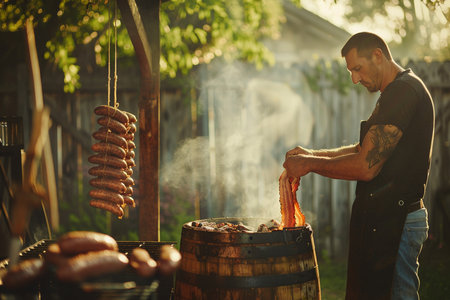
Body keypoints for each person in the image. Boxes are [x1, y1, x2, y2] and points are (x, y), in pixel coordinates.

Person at [283, 32, 434, 300]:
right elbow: (363, 149)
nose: (354, 78)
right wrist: (312, 154)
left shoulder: (403, 92)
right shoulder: (394, 92)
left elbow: (367, 166)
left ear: (378, 55)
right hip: (384, 217)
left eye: (357, 68)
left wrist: (308, 164)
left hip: (397, 221)